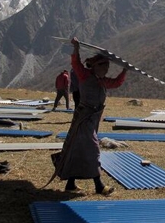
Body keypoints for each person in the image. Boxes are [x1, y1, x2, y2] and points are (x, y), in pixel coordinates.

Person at [54, 37, 127, 195]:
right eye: (102, 65)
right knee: (93, 149)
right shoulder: (85, 75)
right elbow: (76, 63)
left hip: (93, 118)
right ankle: (99, 185)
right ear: (94, 66)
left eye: (107, 65)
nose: (106, 68)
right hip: (84, 118)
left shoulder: (102, 80)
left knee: (77, 149)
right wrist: (76, 48)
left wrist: (124, 71)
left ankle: (70, 184)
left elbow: (116, 83)